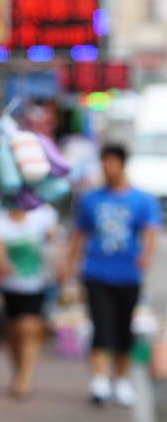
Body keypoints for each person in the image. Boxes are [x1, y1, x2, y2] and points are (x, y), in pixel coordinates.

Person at [65, 144, 161, 406]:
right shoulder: (91, 199)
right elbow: (80, 234)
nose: (107, 168)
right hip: (97, 272)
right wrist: (70, 264)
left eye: (112, 162)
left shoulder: (141, 199)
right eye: (104, 162)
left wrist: (146, 256)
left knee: (123, 328)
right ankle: (99, 380)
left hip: (128, 274)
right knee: (101, 324)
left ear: (122, 164)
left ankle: (121, 379)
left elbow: (150, 230)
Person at [0, 204, 58, 398]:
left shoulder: (43, 215)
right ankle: (19, 371)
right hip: (10, 287)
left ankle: (25, 380)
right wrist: (2, 264)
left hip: (36, 284)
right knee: (13, 331)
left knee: (29, 327)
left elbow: (54, 243)